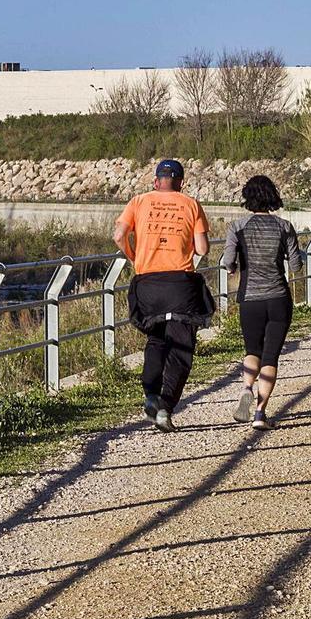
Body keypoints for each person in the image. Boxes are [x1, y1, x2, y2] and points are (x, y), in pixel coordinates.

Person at [114, 159, 214, 433]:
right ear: (180, 182)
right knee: (181, 349)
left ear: (156, 181)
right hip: (180, 284)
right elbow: (203, 249)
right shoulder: (191, 204)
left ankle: (150, 396)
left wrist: (135, 257)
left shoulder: (138, 201)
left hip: (148, 283)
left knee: (156, 340)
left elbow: (119, 234)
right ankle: (165, 407)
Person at [220, 176, 304, 431]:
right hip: (278, 298)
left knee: (251, 350)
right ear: (272, 196)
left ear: (248, 197)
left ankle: (246, 387)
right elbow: (296, 266)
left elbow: (228, 261)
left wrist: (235, 266)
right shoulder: (284, 226)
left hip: (250, 299)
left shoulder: (238, 227)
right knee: (271, 356)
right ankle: (259, 413)